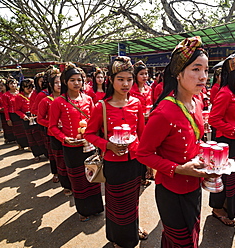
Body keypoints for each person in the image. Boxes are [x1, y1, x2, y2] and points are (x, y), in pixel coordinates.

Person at [137, 36, 216, 248]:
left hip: (194, 186)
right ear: (179, 74)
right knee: (181, 241)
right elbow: (143, 154)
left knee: (192, 235)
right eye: (196, 69)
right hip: (171, 190)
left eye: (206, 70)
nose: (203, 76)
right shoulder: (164, 112)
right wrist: (179, 169)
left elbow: (196, 142)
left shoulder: (197, 102)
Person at [85, 56, 147, 248]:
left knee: (133, 199)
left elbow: (142, 133)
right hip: (113, 164)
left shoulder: (137, 103)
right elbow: (89, 134)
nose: (126, 83)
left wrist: (147, 160)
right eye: (121, 79)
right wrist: (107, 145)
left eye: (129, 79)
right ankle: (119, 237)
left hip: (135, 161)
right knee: (117, 203)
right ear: (111, 80)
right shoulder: (101, 107)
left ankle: (133, 228)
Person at [49, 63, 104, 222]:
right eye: (72, 80)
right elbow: (52, 126)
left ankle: (96, 208)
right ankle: (84, 210)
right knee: (78, 180)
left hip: (90, 146)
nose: (76, 83)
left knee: (93, 177)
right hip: (71, 148)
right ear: (65, 82)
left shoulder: (88, 99)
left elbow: (95, 121)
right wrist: (64, 138)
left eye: (79, 80)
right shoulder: (58, 102)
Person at [208, 50, 235, 227]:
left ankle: (229, 206)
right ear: (233, 72)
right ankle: (218, 208)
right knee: (225, 177)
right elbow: (213, 119)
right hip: (226, 143)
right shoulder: (225, 93)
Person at [37, 67, 71, 192]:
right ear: (51, 85)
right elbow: (40, 119)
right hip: (54, 134)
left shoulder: (69, 99)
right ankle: (65, 185)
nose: (59, 85)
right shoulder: (46, 100)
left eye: (60, 82)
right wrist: (53, 123)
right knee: (60, 160)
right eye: (56, 82)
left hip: (69, 133)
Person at [14, 78, 47, 161]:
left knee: (39, 136)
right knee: (31, 137)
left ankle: (45, 153)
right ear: (23, 88)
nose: (29, 90)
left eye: (31, 87)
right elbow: (16, 109)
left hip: (36, 117)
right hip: (26, 119)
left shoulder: (35, 94)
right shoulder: (18, 97)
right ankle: (36, 154)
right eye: (27, 88)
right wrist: (23, 116)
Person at [3, 77, 29, 150]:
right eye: (11, 83)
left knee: (25, 129)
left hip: (22, 113)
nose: (13, 85)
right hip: (13, 114)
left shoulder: (20, 93)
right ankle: (21, 144)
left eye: (14, 83)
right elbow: (6, 107)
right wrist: (8, 119)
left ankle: (28, 145)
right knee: (18, 131)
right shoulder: (6, 95)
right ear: (8, 85)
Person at [0, 79, 16, 143]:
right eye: (0, 86)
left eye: (2, 85)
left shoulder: (12, 93)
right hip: (3, 112)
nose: (1, 87)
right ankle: (8, 138)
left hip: (11, 112)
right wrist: (0, 108)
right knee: (6, 126)